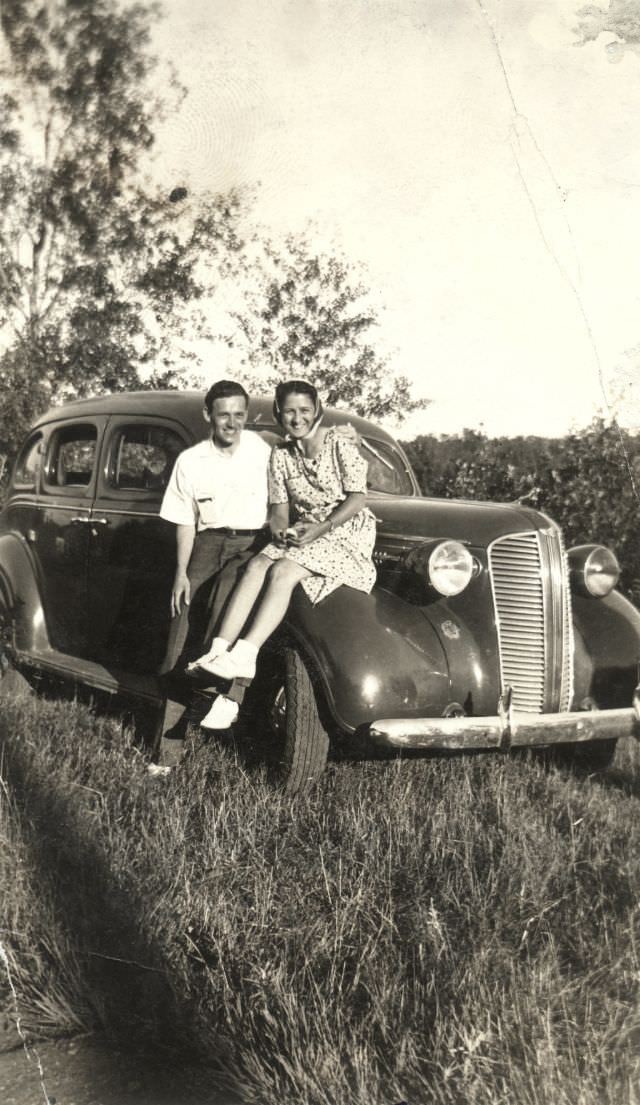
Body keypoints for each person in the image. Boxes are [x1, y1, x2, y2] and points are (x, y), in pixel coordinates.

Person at [190, 379, 377, 729]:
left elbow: (357, 498)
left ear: (317, 410)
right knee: (257, 565)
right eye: (289, 411)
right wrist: (279, 529)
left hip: (344, 532)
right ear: (278, 412)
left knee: (283, 571)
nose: (297, 418)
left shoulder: (338, 443)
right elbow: (279, 507)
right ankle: (219, 650)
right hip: (305, 529)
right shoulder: (281, 454)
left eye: (305, 410)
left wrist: (320, 528)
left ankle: (246, 654)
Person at [150, 379, 271, 772]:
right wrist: (182, 574)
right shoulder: (191, 460)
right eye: (223, 415)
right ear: (208, 416)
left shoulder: (263, 452)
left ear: (247, 415)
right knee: (179, 644)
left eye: (239, 414)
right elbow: (185, 522)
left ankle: (230, 701)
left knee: (223, 629)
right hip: (205, 544)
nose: (232, 423)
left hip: (251, 544)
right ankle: (167, 754)